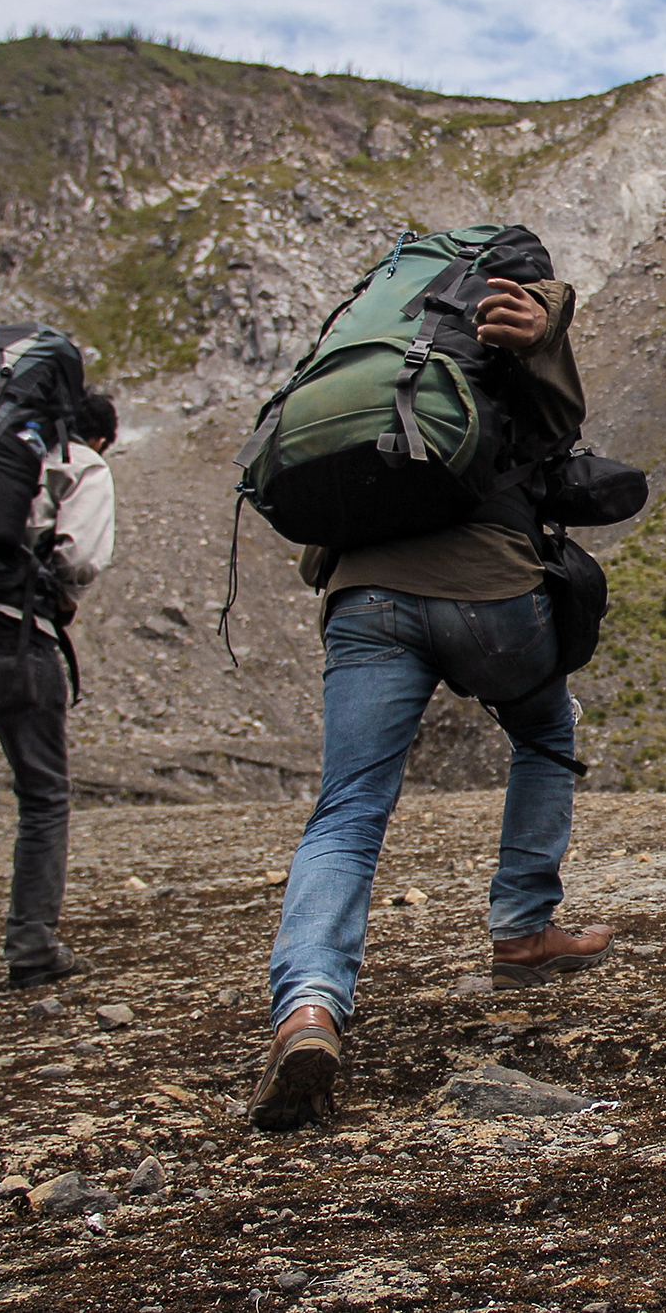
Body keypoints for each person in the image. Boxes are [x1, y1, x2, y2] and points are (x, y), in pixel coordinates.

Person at [251, 275, 611, 1133]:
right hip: (490, 592)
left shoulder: (367, 349)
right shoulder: (504, 339)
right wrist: (542, 340)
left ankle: (308, 1006)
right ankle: (523, 925)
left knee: (347, 811)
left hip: (365, 597)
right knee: (544, 730)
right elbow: (560, 439)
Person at [0, 391, 116, 990]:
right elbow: (80, 558)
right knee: (42, 795)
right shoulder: (82, 465)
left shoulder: (2, 456)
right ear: (100, 438)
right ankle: (31, 945)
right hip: (17, 637)